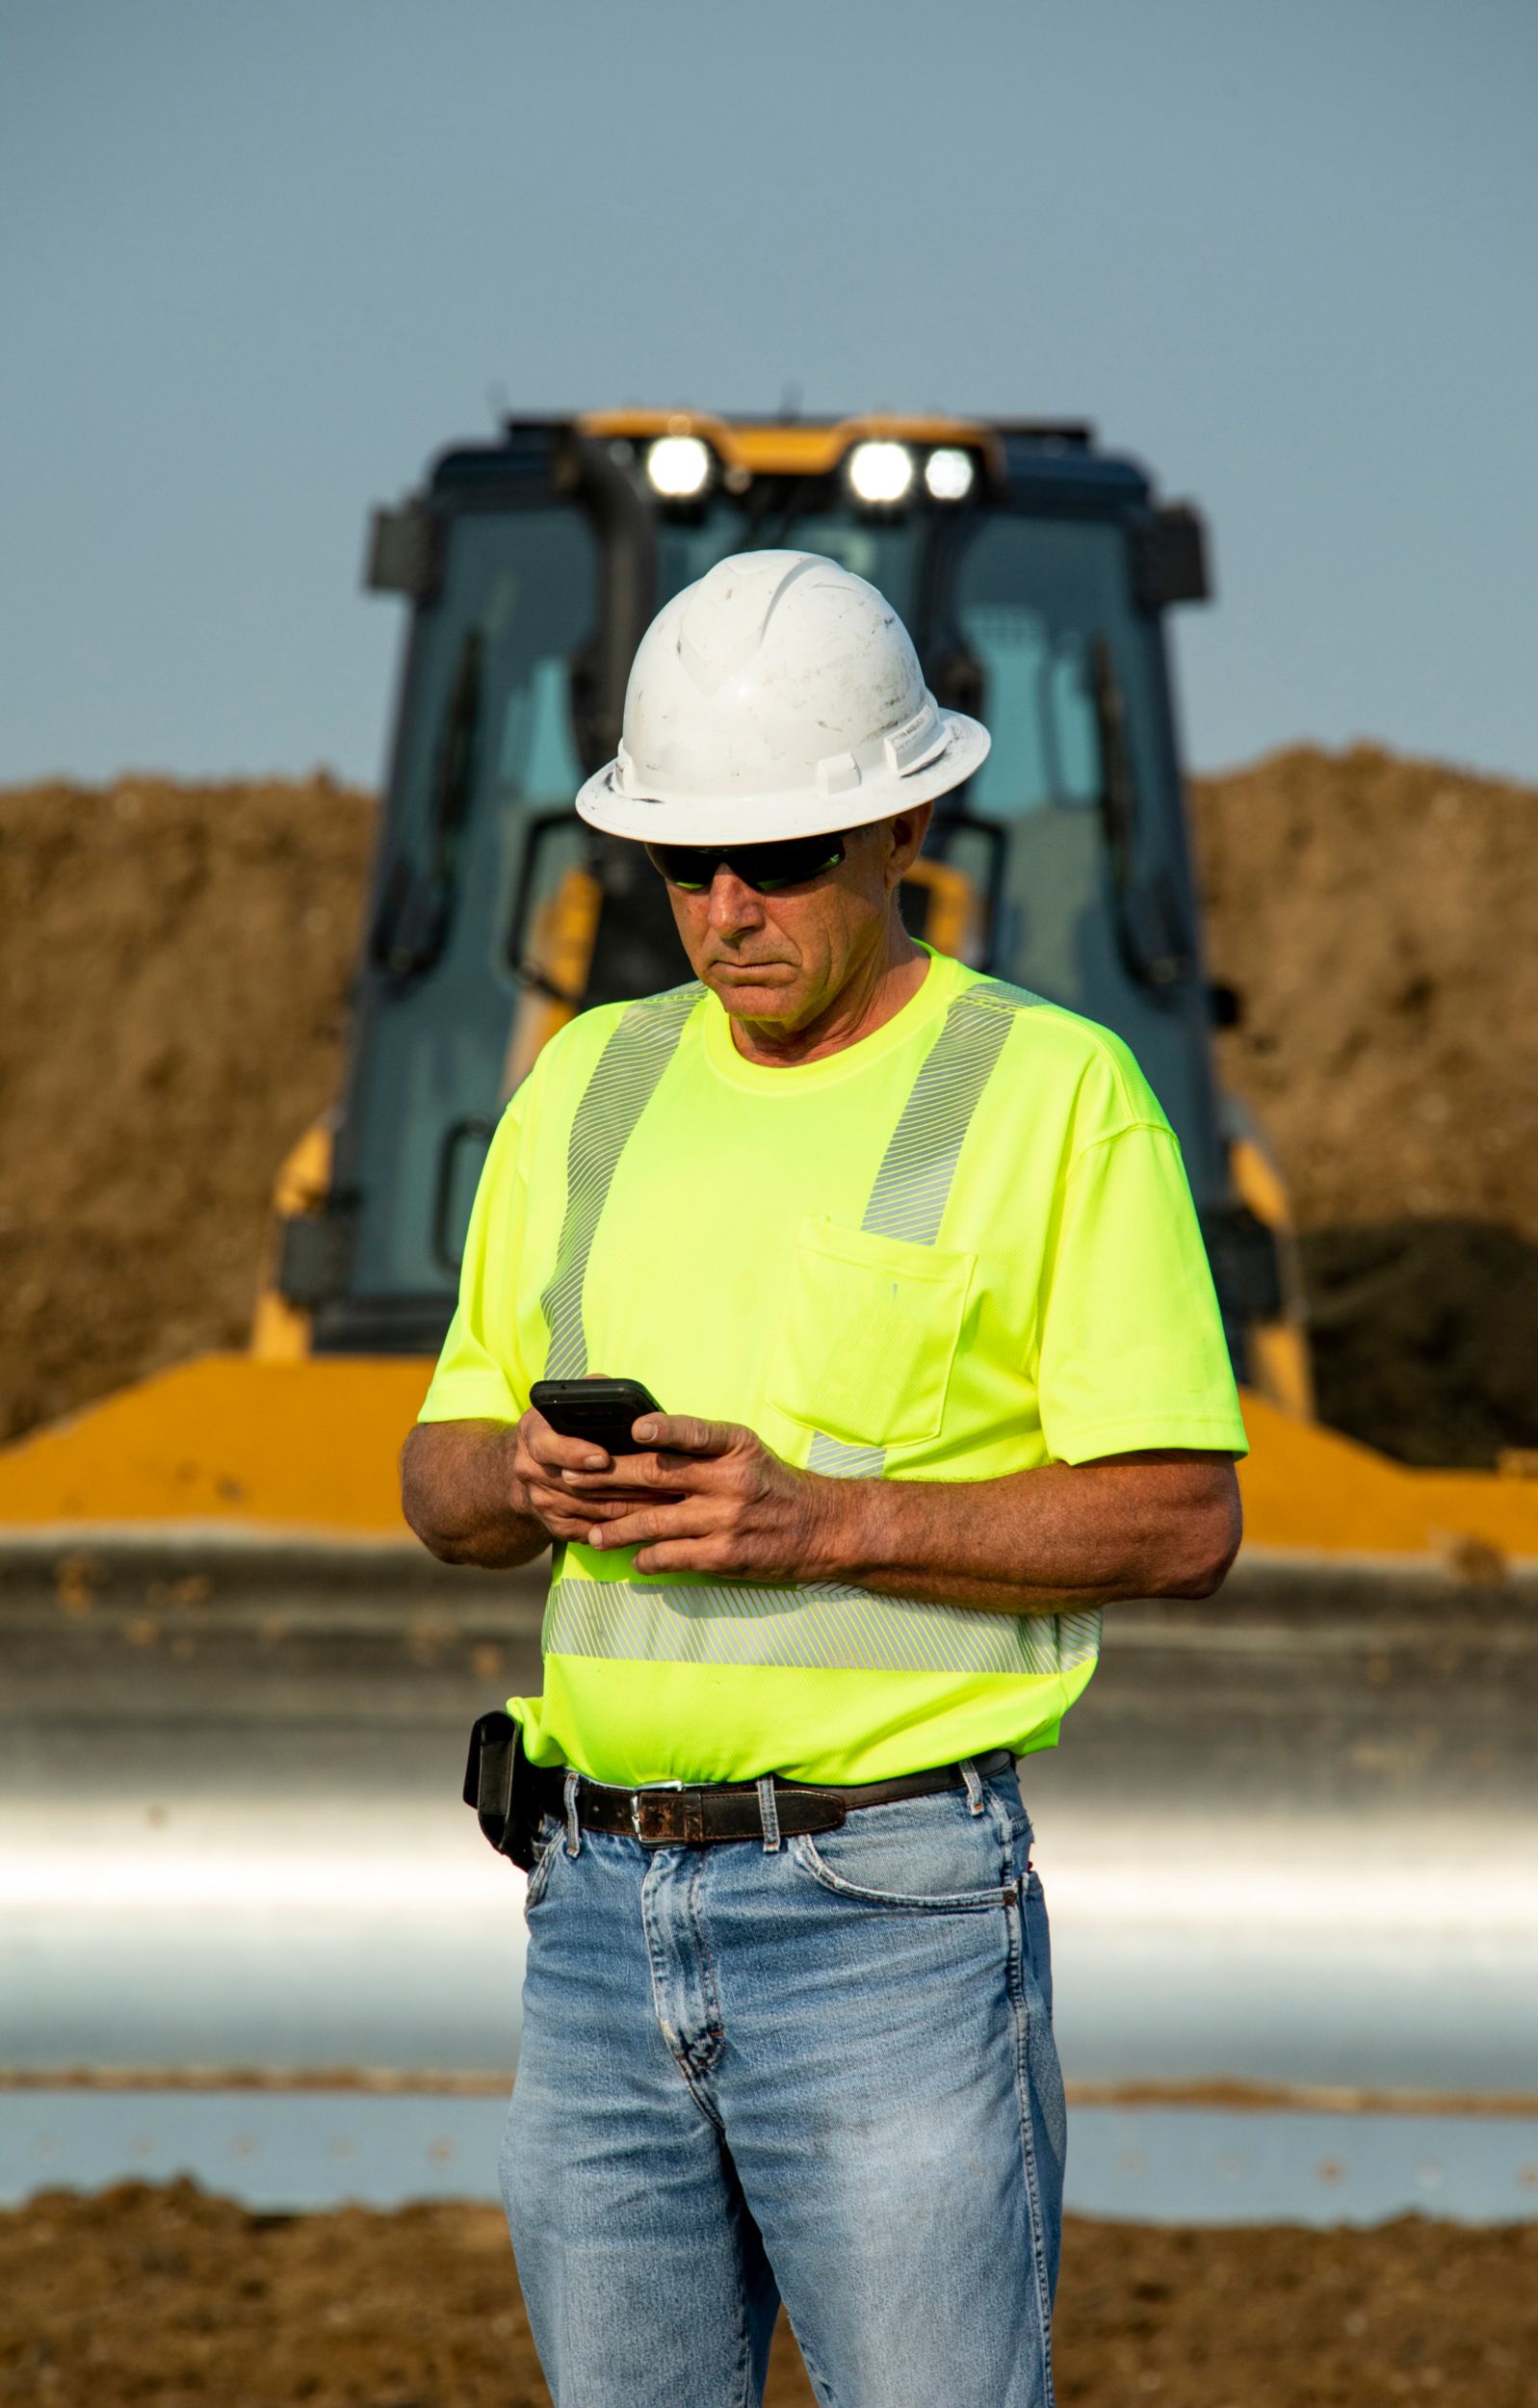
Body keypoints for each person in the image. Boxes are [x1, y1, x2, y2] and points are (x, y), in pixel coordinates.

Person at [402, 549, 1246, 2408]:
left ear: (904, 825)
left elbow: (1184, 1516)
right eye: (684, 864)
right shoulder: (587, 1089)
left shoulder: (1054, 1094)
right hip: (590, 1918)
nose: (726, 911)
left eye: (778, 862)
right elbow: (437, 1477)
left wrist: (832, 1520)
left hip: (890, 1923)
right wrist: (526, 1476)